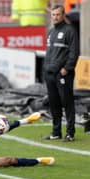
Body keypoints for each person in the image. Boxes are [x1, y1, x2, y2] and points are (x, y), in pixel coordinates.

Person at [43, 4, 79, 142]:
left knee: (67, 102)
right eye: (53, 15)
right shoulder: (51, 32)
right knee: (54, 103)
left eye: (58, 15)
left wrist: (67, 68)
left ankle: (70, 133)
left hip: (63, 74)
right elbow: (49, 54)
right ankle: (56, 131)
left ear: (63, 15)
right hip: (50, 74)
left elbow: (74, 52)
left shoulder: (70, 31)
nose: (55, 17)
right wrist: (46, 69)